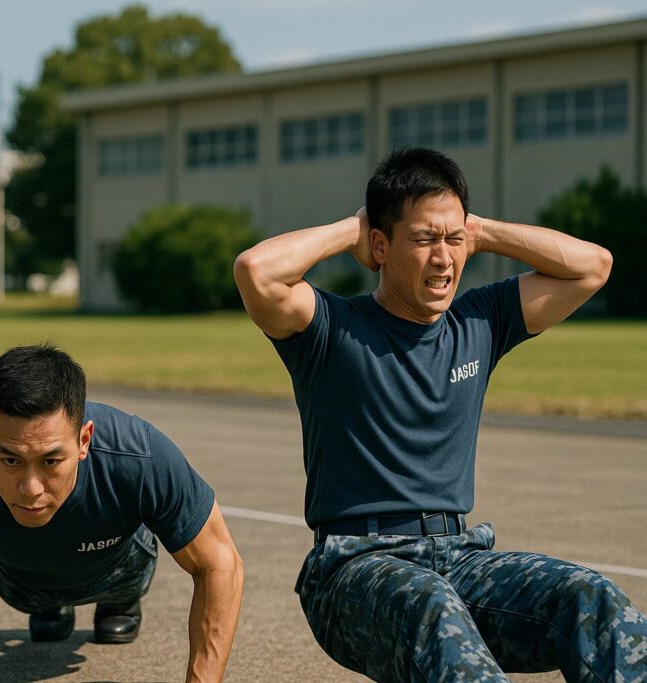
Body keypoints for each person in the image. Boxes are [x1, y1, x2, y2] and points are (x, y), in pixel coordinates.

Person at [233, 147, 646, 680]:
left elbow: (594, 266)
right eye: (426, 239)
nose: (444, 257)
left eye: (454, 240)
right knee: (432, 605)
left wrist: (481, 230)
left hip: (460, 556)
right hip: (353, 567)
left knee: (591, 597)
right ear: (379, 246)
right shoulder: (332, 328)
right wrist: (351, 228)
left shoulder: (482, 321)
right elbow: (256, 271)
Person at [0, 344, 243, 682]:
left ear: (84, 439)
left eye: (51, 460)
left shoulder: (139, 456)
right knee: (37, 604)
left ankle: (119, 602)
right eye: (10, 459)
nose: (31, 487)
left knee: (132, 566)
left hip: (115, 566)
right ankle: (49, 605)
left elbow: (220, 563)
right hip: (15, 577)